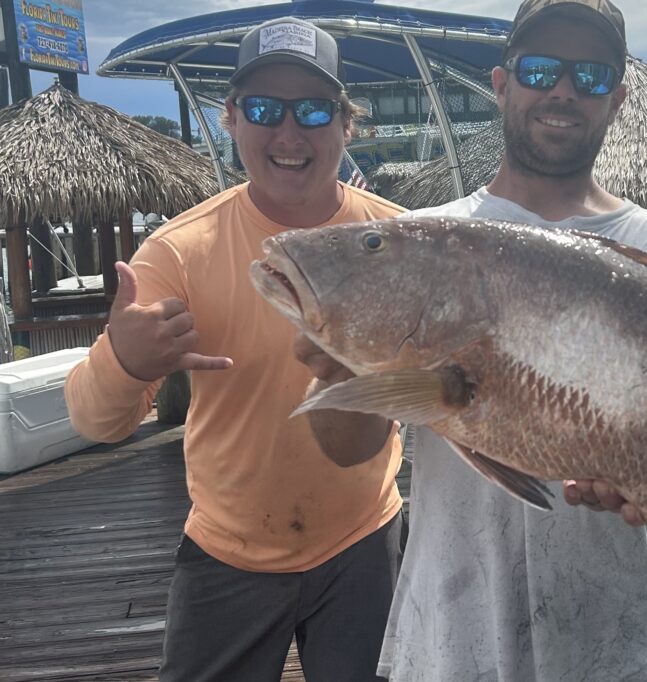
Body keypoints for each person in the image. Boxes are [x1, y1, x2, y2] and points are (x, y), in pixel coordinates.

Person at [299, 1, 647, 679]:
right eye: (540, 69)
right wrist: (338, 366)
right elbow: (350, 452)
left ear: (616, 99)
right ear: (503, 84)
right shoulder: (426, 238)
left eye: (589, 75)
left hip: (613, 636)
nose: (563, 90)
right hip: (452, 630)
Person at [65, 17, 406, 682]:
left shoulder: (397, 239)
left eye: (312, 110)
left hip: (366, 538)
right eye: (263, 109)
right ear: (231, 120)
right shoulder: (177, 252)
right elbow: (95, 422)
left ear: (346, 125)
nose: (288, 133)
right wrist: (124, 361)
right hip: (228, 550)